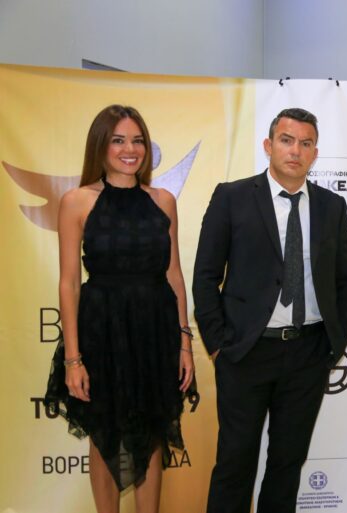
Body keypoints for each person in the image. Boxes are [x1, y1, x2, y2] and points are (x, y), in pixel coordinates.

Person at [192, 107, 347, 513]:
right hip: (245, 353)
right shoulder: (232, 197)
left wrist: (333, 345)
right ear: (268, 145)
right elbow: (205, 277)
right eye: (287, 140)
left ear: (315, 153)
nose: (295, 151)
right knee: (235, 465)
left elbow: (346, 281)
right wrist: (219, 345)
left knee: (287, 465)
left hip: (308, 354)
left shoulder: (331, 206)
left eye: (306, 143)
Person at [44, 104, 197, 513]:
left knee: (153, 435)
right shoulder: (77, 201)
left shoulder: (163, 200)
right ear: (101, 146)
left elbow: (174, 275)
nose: (130, 149)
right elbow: (69, 283)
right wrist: (73, 359)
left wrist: (184, 342)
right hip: (102, 331)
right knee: (104, 437)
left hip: (155, 331)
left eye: (137, 140)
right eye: (118, 140)